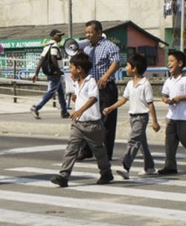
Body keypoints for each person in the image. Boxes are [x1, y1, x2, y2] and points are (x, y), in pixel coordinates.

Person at [50, 51, 114, 187]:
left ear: (79, 69)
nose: (69, 70)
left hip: (93, 125)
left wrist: (80, 110)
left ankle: (106, 172)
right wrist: (75, 97)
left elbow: (93, 98)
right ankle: (64, 175)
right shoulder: (77, 83)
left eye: (72, 67)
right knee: (71, 149)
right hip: (78, 124)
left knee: (99, 152)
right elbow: (81, 96)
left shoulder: (91, 82)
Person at [103, 52, 160, 178]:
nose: (125, 68)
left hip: (142, 117)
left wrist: (155, 122)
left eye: (128, 65)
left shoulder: (145, 84)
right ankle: (149, 167)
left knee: (133, 141)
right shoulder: (129, 84)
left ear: (134, 68)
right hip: (132, 117)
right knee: (141, 143)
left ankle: (126, 167)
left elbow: (150, 104)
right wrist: (111, 108)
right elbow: (123, 99)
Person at [71, 20, 121, 161]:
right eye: (86, 32)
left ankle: (105, 152)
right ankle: (86, 150)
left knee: (106, 120)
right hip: (89, 88)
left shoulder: (109, 46)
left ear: (99, 32)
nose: (87, 35)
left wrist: (105, 76)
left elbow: (116, 62)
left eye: (90, 32)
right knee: (88, 119)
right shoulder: (86, 49)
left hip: (105, 88)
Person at [31, 29, 69, 119]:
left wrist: (36, 73)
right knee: (51, 92)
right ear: (52, 36)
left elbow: (41, 59)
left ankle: (64, 111)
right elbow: (53, 58)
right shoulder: (54, 45)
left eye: (61, 36)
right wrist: (58, 71)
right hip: (55, 73)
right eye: (58, 35)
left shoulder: (47, 45)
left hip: (54, 73)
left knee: (61, 93)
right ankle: (35, 107)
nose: (60, 37)